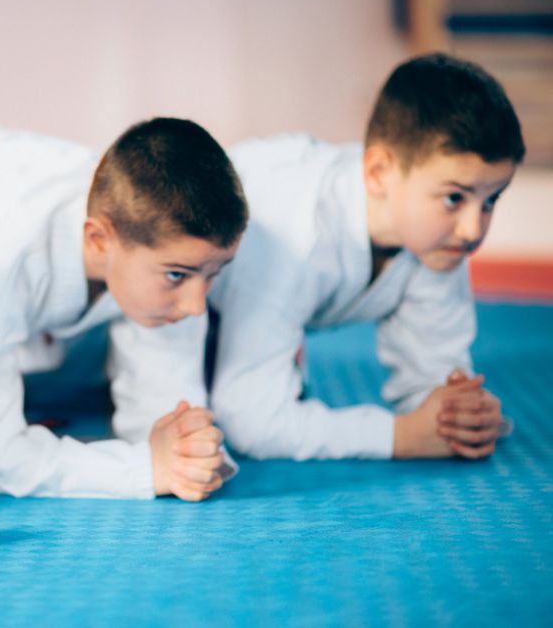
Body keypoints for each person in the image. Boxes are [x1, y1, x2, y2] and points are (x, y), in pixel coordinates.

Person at [0, 110, 248, 501]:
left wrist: (187, 454)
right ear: (100, 241)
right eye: (177, 275)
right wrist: (144, 469)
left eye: (214, 274)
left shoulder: (157, 243)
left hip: (3, 163)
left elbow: (164, 421)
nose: (196, 305)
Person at [206, 53, 525, 461]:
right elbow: (251, 423)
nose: (473, 229)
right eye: (453, 198)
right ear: (377, 173)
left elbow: (431, 387)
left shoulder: (436, 239)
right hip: (136, 311)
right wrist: (399, 437)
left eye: (491, 200)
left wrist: (460, 415)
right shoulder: (295, 235)